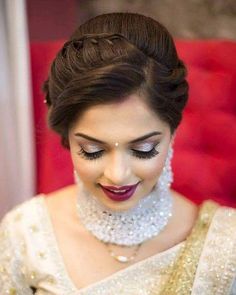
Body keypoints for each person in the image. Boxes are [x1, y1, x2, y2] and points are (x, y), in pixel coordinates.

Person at [0, 12, 235, 295]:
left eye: (142, 149)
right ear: (67, 140)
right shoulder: (26, 235)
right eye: (92, 150)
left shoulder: (222, 246)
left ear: (172, 133)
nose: (117, 175)